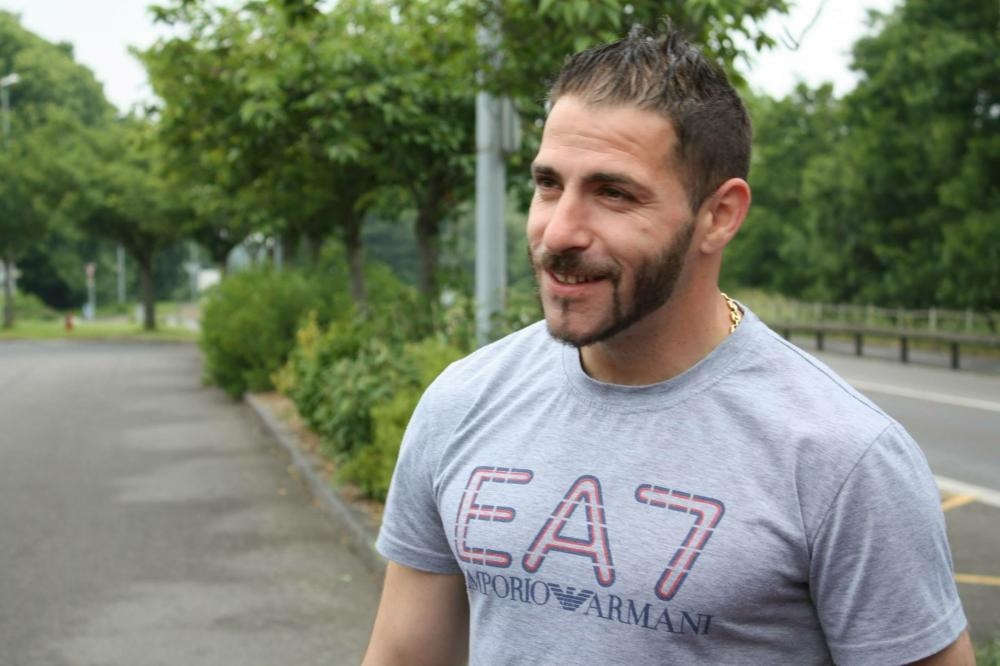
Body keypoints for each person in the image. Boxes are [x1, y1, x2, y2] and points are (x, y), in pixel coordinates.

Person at [362, 22, 973, 666]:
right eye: (548, 184)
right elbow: (404, 655)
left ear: (719, 216)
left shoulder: (842, 457)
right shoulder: (463, 401)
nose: (558, 231)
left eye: (613, 193)